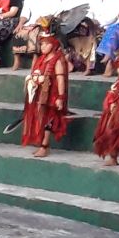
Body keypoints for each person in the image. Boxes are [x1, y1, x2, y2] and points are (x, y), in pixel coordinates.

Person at [23, 22, 71, 158]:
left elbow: (60, 79)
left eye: (46, 44)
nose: (43, 46)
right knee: (40, 118)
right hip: (39, 94)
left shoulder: (57, 60)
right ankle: (41, 144)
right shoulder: (41, 59)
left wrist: (60, 97)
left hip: (52, 95)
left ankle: (45, 146)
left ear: (54, 44)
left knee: (49, 119)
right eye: (41, 44)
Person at [14, 0, 62, 69]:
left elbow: (57, 12)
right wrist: (20, 23)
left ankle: (35, 59)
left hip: (47, 23)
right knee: (18, 32)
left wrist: (42, 21)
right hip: (31, 23)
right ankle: (17, 60)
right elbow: (25, 12)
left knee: (34, 33)